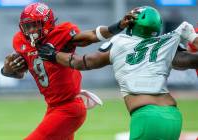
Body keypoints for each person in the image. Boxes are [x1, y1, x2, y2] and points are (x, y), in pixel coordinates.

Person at [37, 6, 198, 140]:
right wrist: (193, 37)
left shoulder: (121, 42)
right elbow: (190, 61)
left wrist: (54, 55)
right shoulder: (164, 45)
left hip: (147, 117)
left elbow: (84, 62)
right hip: (173, 117)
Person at [1, 2, 135, 140]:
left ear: (47, 23)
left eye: (35, 25)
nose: (30, 31)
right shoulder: (20, 40)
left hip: (69, 108)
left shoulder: (61, 34)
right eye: (27, 26)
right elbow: (18, 73)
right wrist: (6, 69)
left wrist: (118, 26)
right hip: (52, 107)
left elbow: (91, 35)